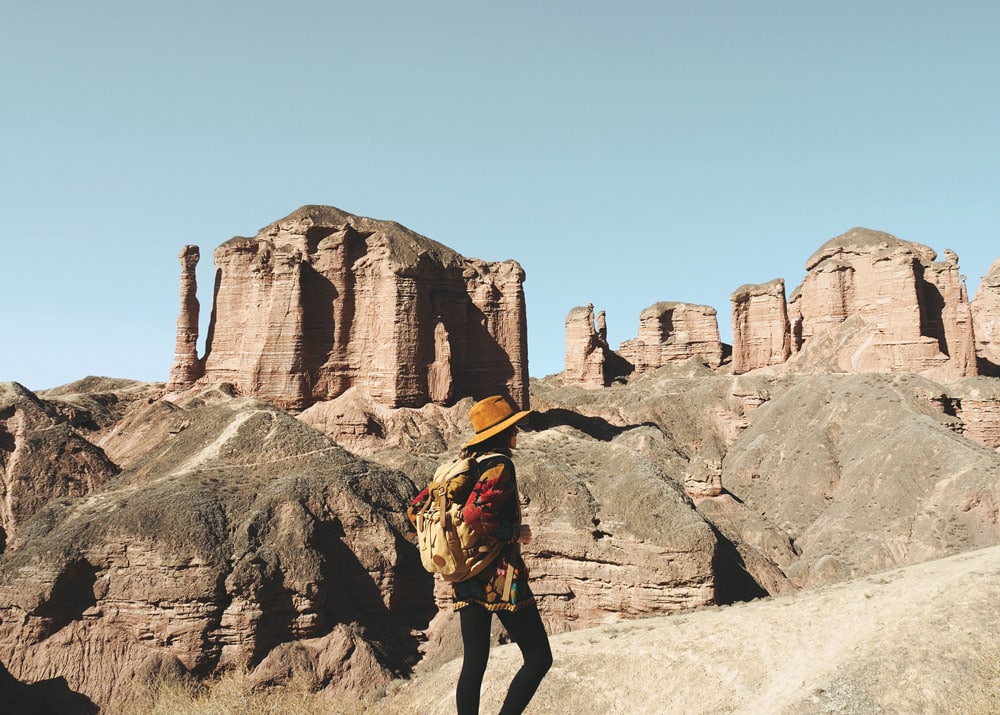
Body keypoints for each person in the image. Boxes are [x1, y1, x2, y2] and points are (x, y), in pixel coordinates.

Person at [409, 395, 552, 715]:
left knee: (475, 660)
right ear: (503, 432)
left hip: (465, 574)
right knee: (539, 658)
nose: (518, 432)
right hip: (500, 575)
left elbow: (416, 509)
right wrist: (515, 534)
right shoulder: (499, 465)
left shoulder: (461, 465)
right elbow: (476, 513)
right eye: (514, 426)